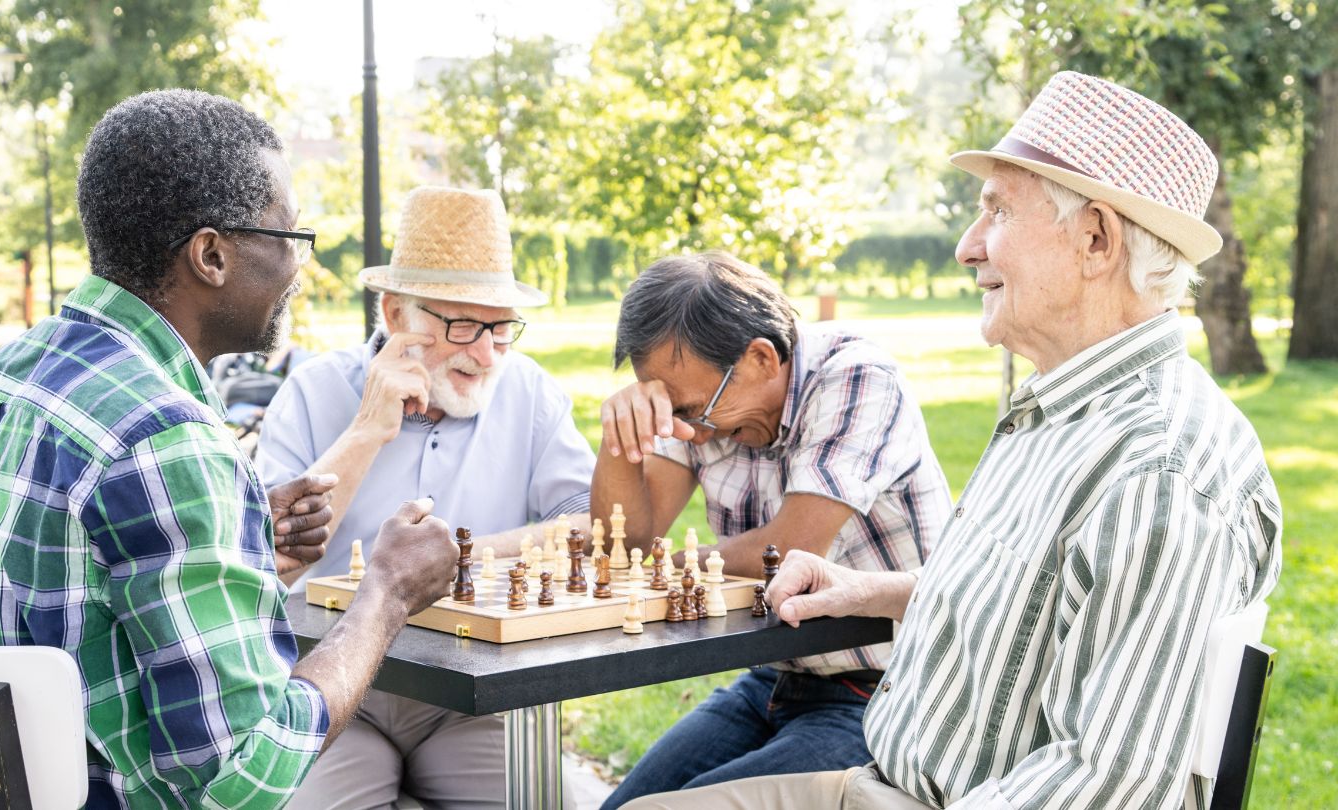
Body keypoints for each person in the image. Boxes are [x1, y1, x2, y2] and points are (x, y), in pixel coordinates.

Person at [621, 71, 1283, 810]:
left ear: (1095, 239)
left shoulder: (1159, 470)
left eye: (996, 213)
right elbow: (1031, 603)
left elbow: (1109, 781)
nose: (968, 248)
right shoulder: (1062, 412)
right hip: (887, 776)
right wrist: (869, 589)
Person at [0, 90, 458, 809]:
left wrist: (238, 537)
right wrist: (384, 597)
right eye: (289, 239)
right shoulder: (167, 440)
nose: (299, 268)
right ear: (212, 255)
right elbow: (243, 778)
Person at [255, 185, 596, 809]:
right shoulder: (311, 391)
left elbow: (586, 527)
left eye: (500, 328)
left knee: (550, 803)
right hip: (329, 685)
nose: (487, 353)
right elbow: (274, 563)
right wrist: (366, 431)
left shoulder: (529, 391)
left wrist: (452, 560)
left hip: (473, 694)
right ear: (394, 316)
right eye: (464, 325)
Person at [592, 251, 953, 807]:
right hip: (774, 679)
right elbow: (624, 550)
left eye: (687, 411)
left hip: (892, 692)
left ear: (761, 358)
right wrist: (622, 440)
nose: (685, 432)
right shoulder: (704, 399)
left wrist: (674, 563)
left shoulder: (857, 378)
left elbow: (789, 551)